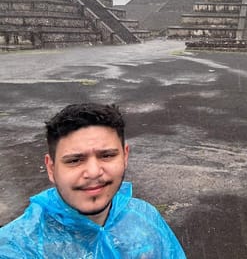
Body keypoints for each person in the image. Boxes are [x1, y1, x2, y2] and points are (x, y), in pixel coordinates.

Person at [0, 103, 186, 258]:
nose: (94, 172)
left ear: (125, 156)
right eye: (74, 160)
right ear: (51, 167)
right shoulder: (16, 246)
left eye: (106, 155)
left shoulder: (146, 217)